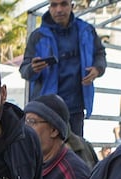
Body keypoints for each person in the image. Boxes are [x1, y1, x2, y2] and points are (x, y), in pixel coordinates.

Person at [20, 0, 107, 136]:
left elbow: (100, 54)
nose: (59, 9)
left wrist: (97, 69)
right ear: (49, 8)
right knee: (43, 153)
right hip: (45, 110)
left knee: (76, 150)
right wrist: (33, 68)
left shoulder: (86, 31)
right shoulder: (38, 36)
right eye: (54, 5)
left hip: (76, 107)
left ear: (72, 6)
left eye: (63, 4)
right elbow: (24, 70)